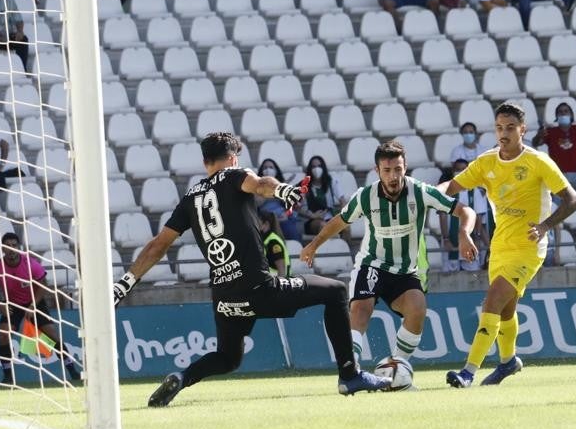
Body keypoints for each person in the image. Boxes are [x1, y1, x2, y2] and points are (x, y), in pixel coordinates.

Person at [113, 132, 390, 407]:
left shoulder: (190, 198)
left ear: (204, 160)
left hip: (225, 299)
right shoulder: (235, 175)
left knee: (228, 358)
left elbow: (157, 246)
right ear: (233, 158)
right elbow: (260, 184)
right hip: (260, 289)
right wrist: (282, 190)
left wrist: (125, 282)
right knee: (336, 291)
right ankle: (350, 375)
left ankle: (181, 377)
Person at [302, 141, 476, 377]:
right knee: (361, 309)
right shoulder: (366, 196)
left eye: (398, 169)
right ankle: (351, 372)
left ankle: (396, 367)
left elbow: (466, 211)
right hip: (373, 264)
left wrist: (464, 233)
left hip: (405, 272)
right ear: (377, 171)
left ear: (405, 167)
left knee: (417, 310)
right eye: (387, 170)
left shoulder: (421, 192)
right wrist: (313, 245)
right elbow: (340, 221)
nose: (393, 176)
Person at [438, 101, 576, 388]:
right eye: (499, 128)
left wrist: (544, 226)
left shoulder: (538, 162)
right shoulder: (486, 162)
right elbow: (450, 187)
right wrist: (429, 196)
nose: (503, 134)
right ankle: (508, 362)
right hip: (500, 246)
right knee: (505, 310)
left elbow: (573, 200)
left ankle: (468, 371)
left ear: (522, 130)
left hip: (529, 247)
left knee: (492, 301)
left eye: (510, 128)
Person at [0, 232, 81, 385]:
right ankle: (8, 376)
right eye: (7, 246)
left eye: (14, 245)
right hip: (12, 304)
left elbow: (43, 283)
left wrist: (33, 305)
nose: (11, 249)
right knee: (3, 335)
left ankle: (72, 370)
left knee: (52, 336)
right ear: (2, 249)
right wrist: (0, 304)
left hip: (34, 302)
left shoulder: (30, 263)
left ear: (19, 247)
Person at [441, 158, 491, 272]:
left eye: (464, 169)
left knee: (473, 272)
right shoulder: (447, 190)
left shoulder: (474, 191)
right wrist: (446, 238)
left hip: (470, 240)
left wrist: (477, 237)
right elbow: (442, 216)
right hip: (451, 241)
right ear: (453, 171)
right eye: (458, 170)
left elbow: (478, 216)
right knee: (450, 277)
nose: (461, 172)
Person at [533, 102, 576, 195]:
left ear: (571, 115)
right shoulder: (550, 132)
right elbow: (535, 143)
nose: (563, 113)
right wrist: (538, 135)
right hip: (558, 175)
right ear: (557, 116)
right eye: (560, 112)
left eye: (566, 111)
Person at [298, 156, 346, 236]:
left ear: (323, 168)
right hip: (312, 220)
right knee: (324, 226)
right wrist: (312, 215)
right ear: (310, 169)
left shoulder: (331, 182)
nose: (316, 169)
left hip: (330, 217)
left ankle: (345, 247)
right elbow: (297, 208)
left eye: (319, 166)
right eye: (313, 167)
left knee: (346, 227)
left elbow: (342, 201)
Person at [259, 210, 290, 276]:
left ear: (266, 224)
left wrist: (281, 285)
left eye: (257, 222)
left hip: (275, 282)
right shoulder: (266, 240)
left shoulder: (273, 242)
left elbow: (281, 269)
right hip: (270, 281)